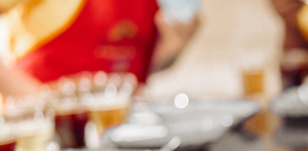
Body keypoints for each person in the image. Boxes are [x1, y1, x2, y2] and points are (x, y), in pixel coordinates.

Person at [0, 0, 199, 92]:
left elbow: (133, 63)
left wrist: (171, 51)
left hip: (122, 137)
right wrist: (38, 100)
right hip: (42, 141)